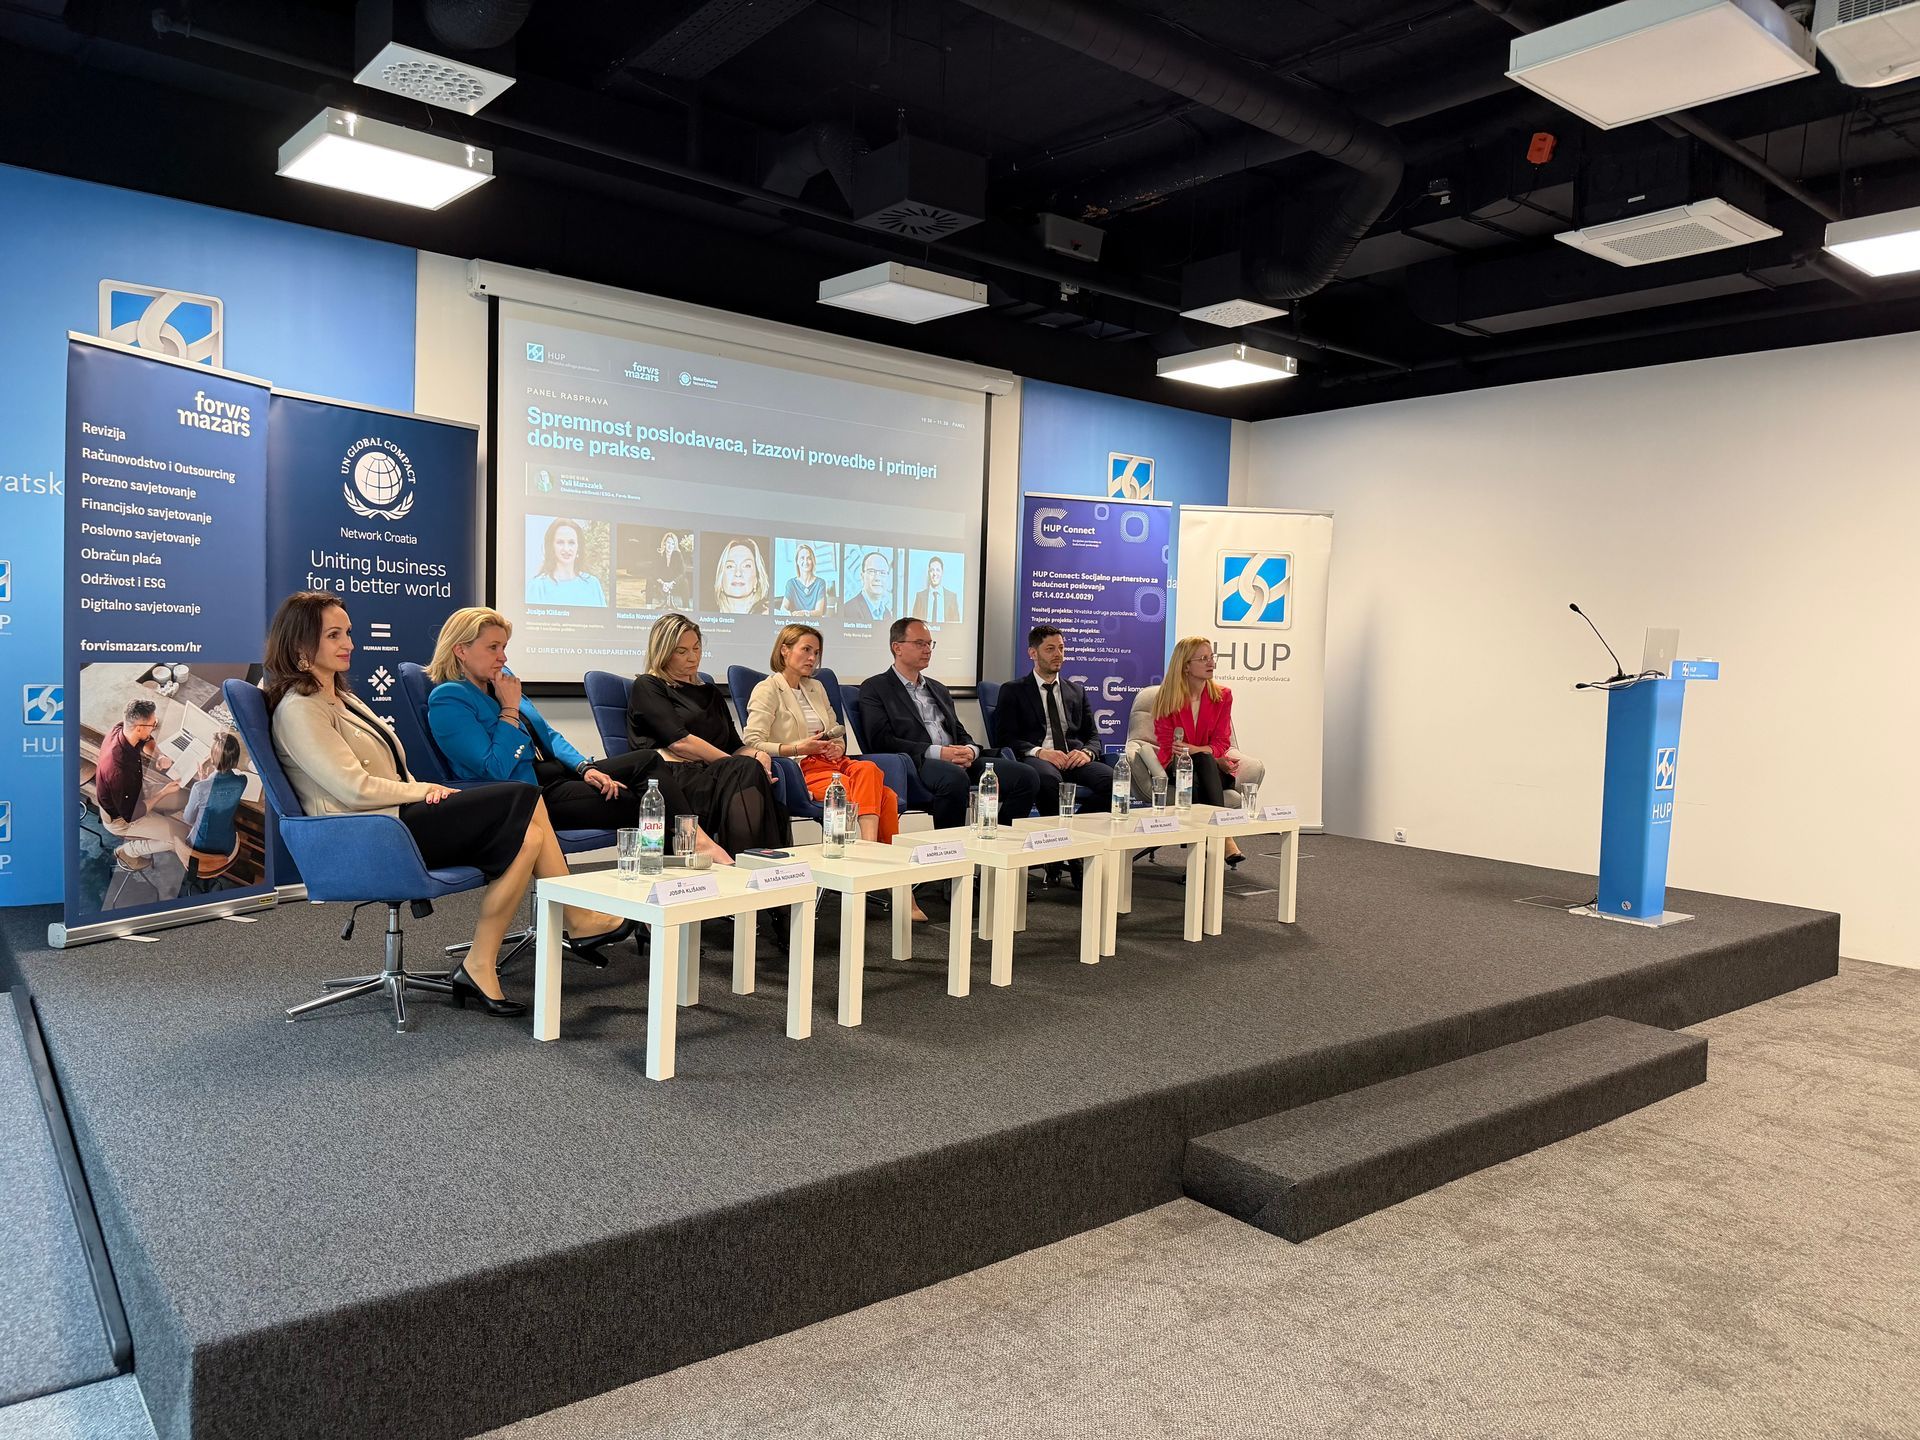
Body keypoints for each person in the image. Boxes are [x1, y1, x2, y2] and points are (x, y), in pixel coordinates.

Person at [265, 591, 624, 1019]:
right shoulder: (300, 709)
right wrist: (424, 791)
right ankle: (577, 917)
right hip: (366, 832)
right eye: (334, 635)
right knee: (523, 796)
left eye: (348, 633)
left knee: (528, 839)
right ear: (301, 645)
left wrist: (421, 790)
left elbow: (392, 773)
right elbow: (354, 790)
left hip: (392, 818)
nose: (350, 644)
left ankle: (478, 965)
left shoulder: (340, 698)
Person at [424, 607, 731, 863]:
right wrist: (509, 710)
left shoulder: (500, 683)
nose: (503, 657)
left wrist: (585, 768)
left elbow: (548, 735)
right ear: (461, 650)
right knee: (643, 801)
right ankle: (677, 865)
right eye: (493, 647)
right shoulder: (449, 699)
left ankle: (695, 842)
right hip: (530, 797)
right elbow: (495, 769)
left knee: (647, 761)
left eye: (504, 647)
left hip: (558, 775)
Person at [745, 624, 925, 920]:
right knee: (887, 798)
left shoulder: (816, 688)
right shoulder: (768, 689)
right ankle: (898, 886)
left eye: (816, 652)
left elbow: (835, 731)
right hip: (800, 769)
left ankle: (866, 853)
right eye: (806, 650)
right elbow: (753, 742)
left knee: (869, 769)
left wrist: (837, 747)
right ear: (784, 650)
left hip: (833, 763)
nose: (812, 658)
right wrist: (799, 747)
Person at [627, 613, 789, 858]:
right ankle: (749, 864)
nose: (693, 657)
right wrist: (734, 764)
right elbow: (680, 743)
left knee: (753, 768)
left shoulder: (710, 692)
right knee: (744, 770)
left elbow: (734, 745)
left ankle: (758, 865)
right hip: (673, 780)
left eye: (696, 648)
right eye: (681, 651)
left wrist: (759, 755)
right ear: (663, 652)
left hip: (713, 774)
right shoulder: (649, 686)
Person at [857, 616, 1036, 831]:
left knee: (1026, 777)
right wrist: (939, 753)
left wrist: (969, 750)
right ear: (897, 648)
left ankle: (998, 838)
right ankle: (951, 847)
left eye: (929, 644)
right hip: (916, 763)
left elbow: (959, 731)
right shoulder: (875, 688)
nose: (927, 650)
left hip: (958, 760)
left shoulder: (938, 688)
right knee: (954, 778)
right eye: (920, 643)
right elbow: (880, 740)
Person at [1153, 636, 1252, 866]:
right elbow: (1169, 746)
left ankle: (1200, 856)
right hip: (1177, 767)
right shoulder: (1167, 698)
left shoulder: (1223, 696)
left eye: (1211, 657)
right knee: (1199, 768)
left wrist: (1200, 751)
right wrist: (1203, 754)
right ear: (1186, 665)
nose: (1211, 663)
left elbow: (1222, 742)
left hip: (1209, 771)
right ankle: (1223, 837)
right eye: (1203, 658)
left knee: (1201, 770)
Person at [999, 625, 1114, 818]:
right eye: (1050, 649)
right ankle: (1056, 831)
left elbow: (1093, 736)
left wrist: (1086, 753)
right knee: (1048, 779)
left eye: (1061, 648)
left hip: (1073, 759)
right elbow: (1005, 738)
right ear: (1033, 653)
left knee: (1113, 781)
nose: (1058, 654)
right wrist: (1040, 752)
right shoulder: (1013, 690)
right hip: (1039, 759)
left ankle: (1074, 827)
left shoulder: (1076, 691)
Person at [93, 695, 192, 876]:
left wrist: (159, 755)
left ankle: (158, 821)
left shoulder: (122, 729)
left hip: (137, 792)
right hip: (122, 818)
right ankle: (128, 852)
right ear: (139, 727)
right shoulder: (119, 772)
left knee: (186, 796)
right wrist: (162, 793)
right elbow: (132, 814)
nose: (154, 726)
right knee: (181, 835)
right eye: (152, 724)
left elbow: (145, 739)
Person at [179, 729, 248, 887]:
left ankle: (193, 877)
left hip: (198, 850)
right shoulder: (242, 781)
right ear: (236, 760)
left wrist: (203, 782)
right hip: (225, 848)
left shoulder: (199, 788)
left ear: (211, 758)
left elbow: (188, 818)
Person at [526, 518, 606, 606]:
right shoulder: (537, 586)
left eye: (571, 542)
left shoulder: (593, 584)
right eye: (560, 542)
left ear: (578, 547)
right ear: (551, 546)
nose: (566, 549)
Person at [711, 537, 771, 615]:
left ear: (757, 579)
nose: (738, 573)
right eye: (730, 566)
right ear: (721, 579)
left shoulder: (768, 613)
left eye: (747, 566)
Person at [843, 548, 896, 623]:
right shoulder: (848, 609)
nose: (877, 578)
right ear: (862, 576)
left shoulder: (887, 614)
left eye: (882, 573)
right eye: (872, 571)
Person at [779, 543, 831, 617]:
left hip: (814, 623)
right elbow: (783, 608)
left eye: (809, 558)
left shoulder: (820, 583)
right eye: (802, 558)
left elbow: (819, 612)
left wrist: (804, 613)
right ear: (797, 561)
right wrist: (789, 614)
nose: (806, 562)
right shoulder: (791, 583)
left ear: (813, 561)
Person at [910, 556, 962, 626]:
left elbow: (956, 626)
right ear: (928, 573)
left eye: (938, 570)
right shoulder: (920, 596)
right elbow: (914, 624)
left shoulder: (952, 597)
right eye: (932, 570)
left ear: (942, 572)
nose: (934, 574)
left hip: (946, 633)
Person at [655, 530, 693, 609]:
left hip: (673, 582)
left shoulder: (678, 555)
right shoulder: (659, 555)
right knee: (649, 580)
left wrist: (672, 583)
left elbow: (682, 572)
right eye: (668, 543)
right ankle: (648, 608)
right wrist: (663, 583)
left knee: (685, 582)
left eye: (673, 544)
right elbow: (654, 571)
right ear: (664, 543)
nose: (670, 546)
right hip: (662, 582)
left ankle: (686, 608)